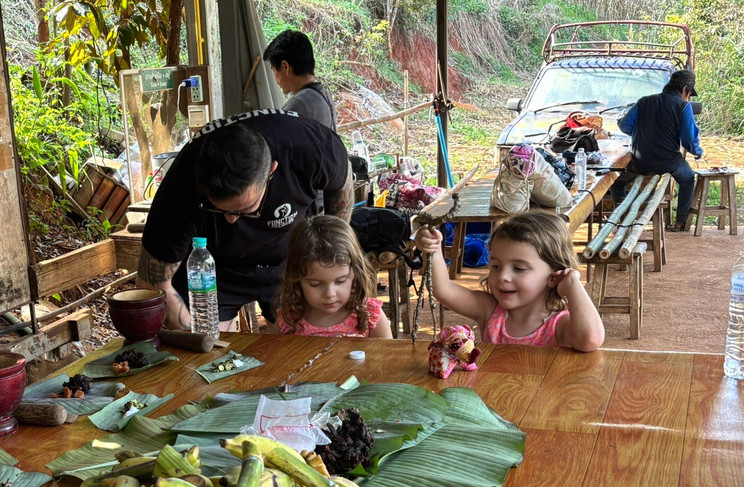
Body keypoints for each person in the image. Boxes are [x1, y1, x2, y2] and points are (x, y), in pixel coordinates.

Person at [137, 110, 353, 332]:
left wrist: (328, 251)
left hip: (287, 259)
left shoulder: (311, 148)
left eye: (244, 210)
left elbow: (342, 186)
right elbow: (152, 283)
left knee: (303, 340)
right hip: (214, 267)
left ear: (271, 172)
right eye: (219, 210)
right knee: (206, 345)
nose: (231, 219)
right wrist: (198, 339)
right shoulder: (180, 186)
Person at [413, 212, 604, 352]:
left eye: (519, 268)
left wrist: (573, 285)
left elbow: (591, 340)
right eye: (495, 265)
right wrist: (432, 249)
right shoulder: (490, 311)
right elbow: (443, 289)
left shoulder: (559, 325)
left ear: (553, 277)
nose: (503, 276)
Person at [610, 68, 703, 232]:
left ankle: (623, 220)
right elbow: (688, 140)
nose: (688, 98)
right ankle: (680, 223)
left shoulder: (644, 101)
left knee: (616, 184)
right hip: (668, 163)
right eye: (689, 94)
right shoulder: (683, 106)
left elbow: (624, 125)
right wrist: (698, 152)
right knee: (688, 178)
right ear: (684, 90)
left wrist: (641, 133)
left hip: (640, 162)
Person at [274, 215, 392, 337]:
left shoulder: (369, 315)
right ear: (296, 278)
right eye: (315, 284)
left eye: (340, 281)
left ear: (355, 273)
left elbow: (388, 349)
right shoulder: (288, 319)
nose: (330, 294)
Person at [263, 29, 336, 132]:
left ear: (285, 67)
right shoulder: (323, 94)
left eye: (274, 70)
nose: (275, 79)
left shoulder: (298, 106)